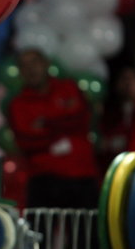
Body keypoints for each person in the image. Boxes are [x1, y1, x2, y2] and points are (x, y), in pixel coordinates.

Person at [7, 49, 98, 209]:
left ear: (46, 64)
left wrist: (46, 124)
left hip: (82, 175)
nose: (31, 69)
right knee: (39, 233)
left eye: (35, 62)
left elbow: (81, 119)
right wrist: (63, 123)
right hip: (43, 179)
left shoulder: (69, 88)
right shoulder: (18, 104)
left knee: (86, 232)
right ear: (20, 72)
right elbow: (26, 141)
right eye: (24, 65)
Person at [98, 65, 135, 171]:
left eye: (132, 79)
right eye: (124, 79)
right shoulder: (109, 115)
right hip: (117, 170)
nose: (128, 83)